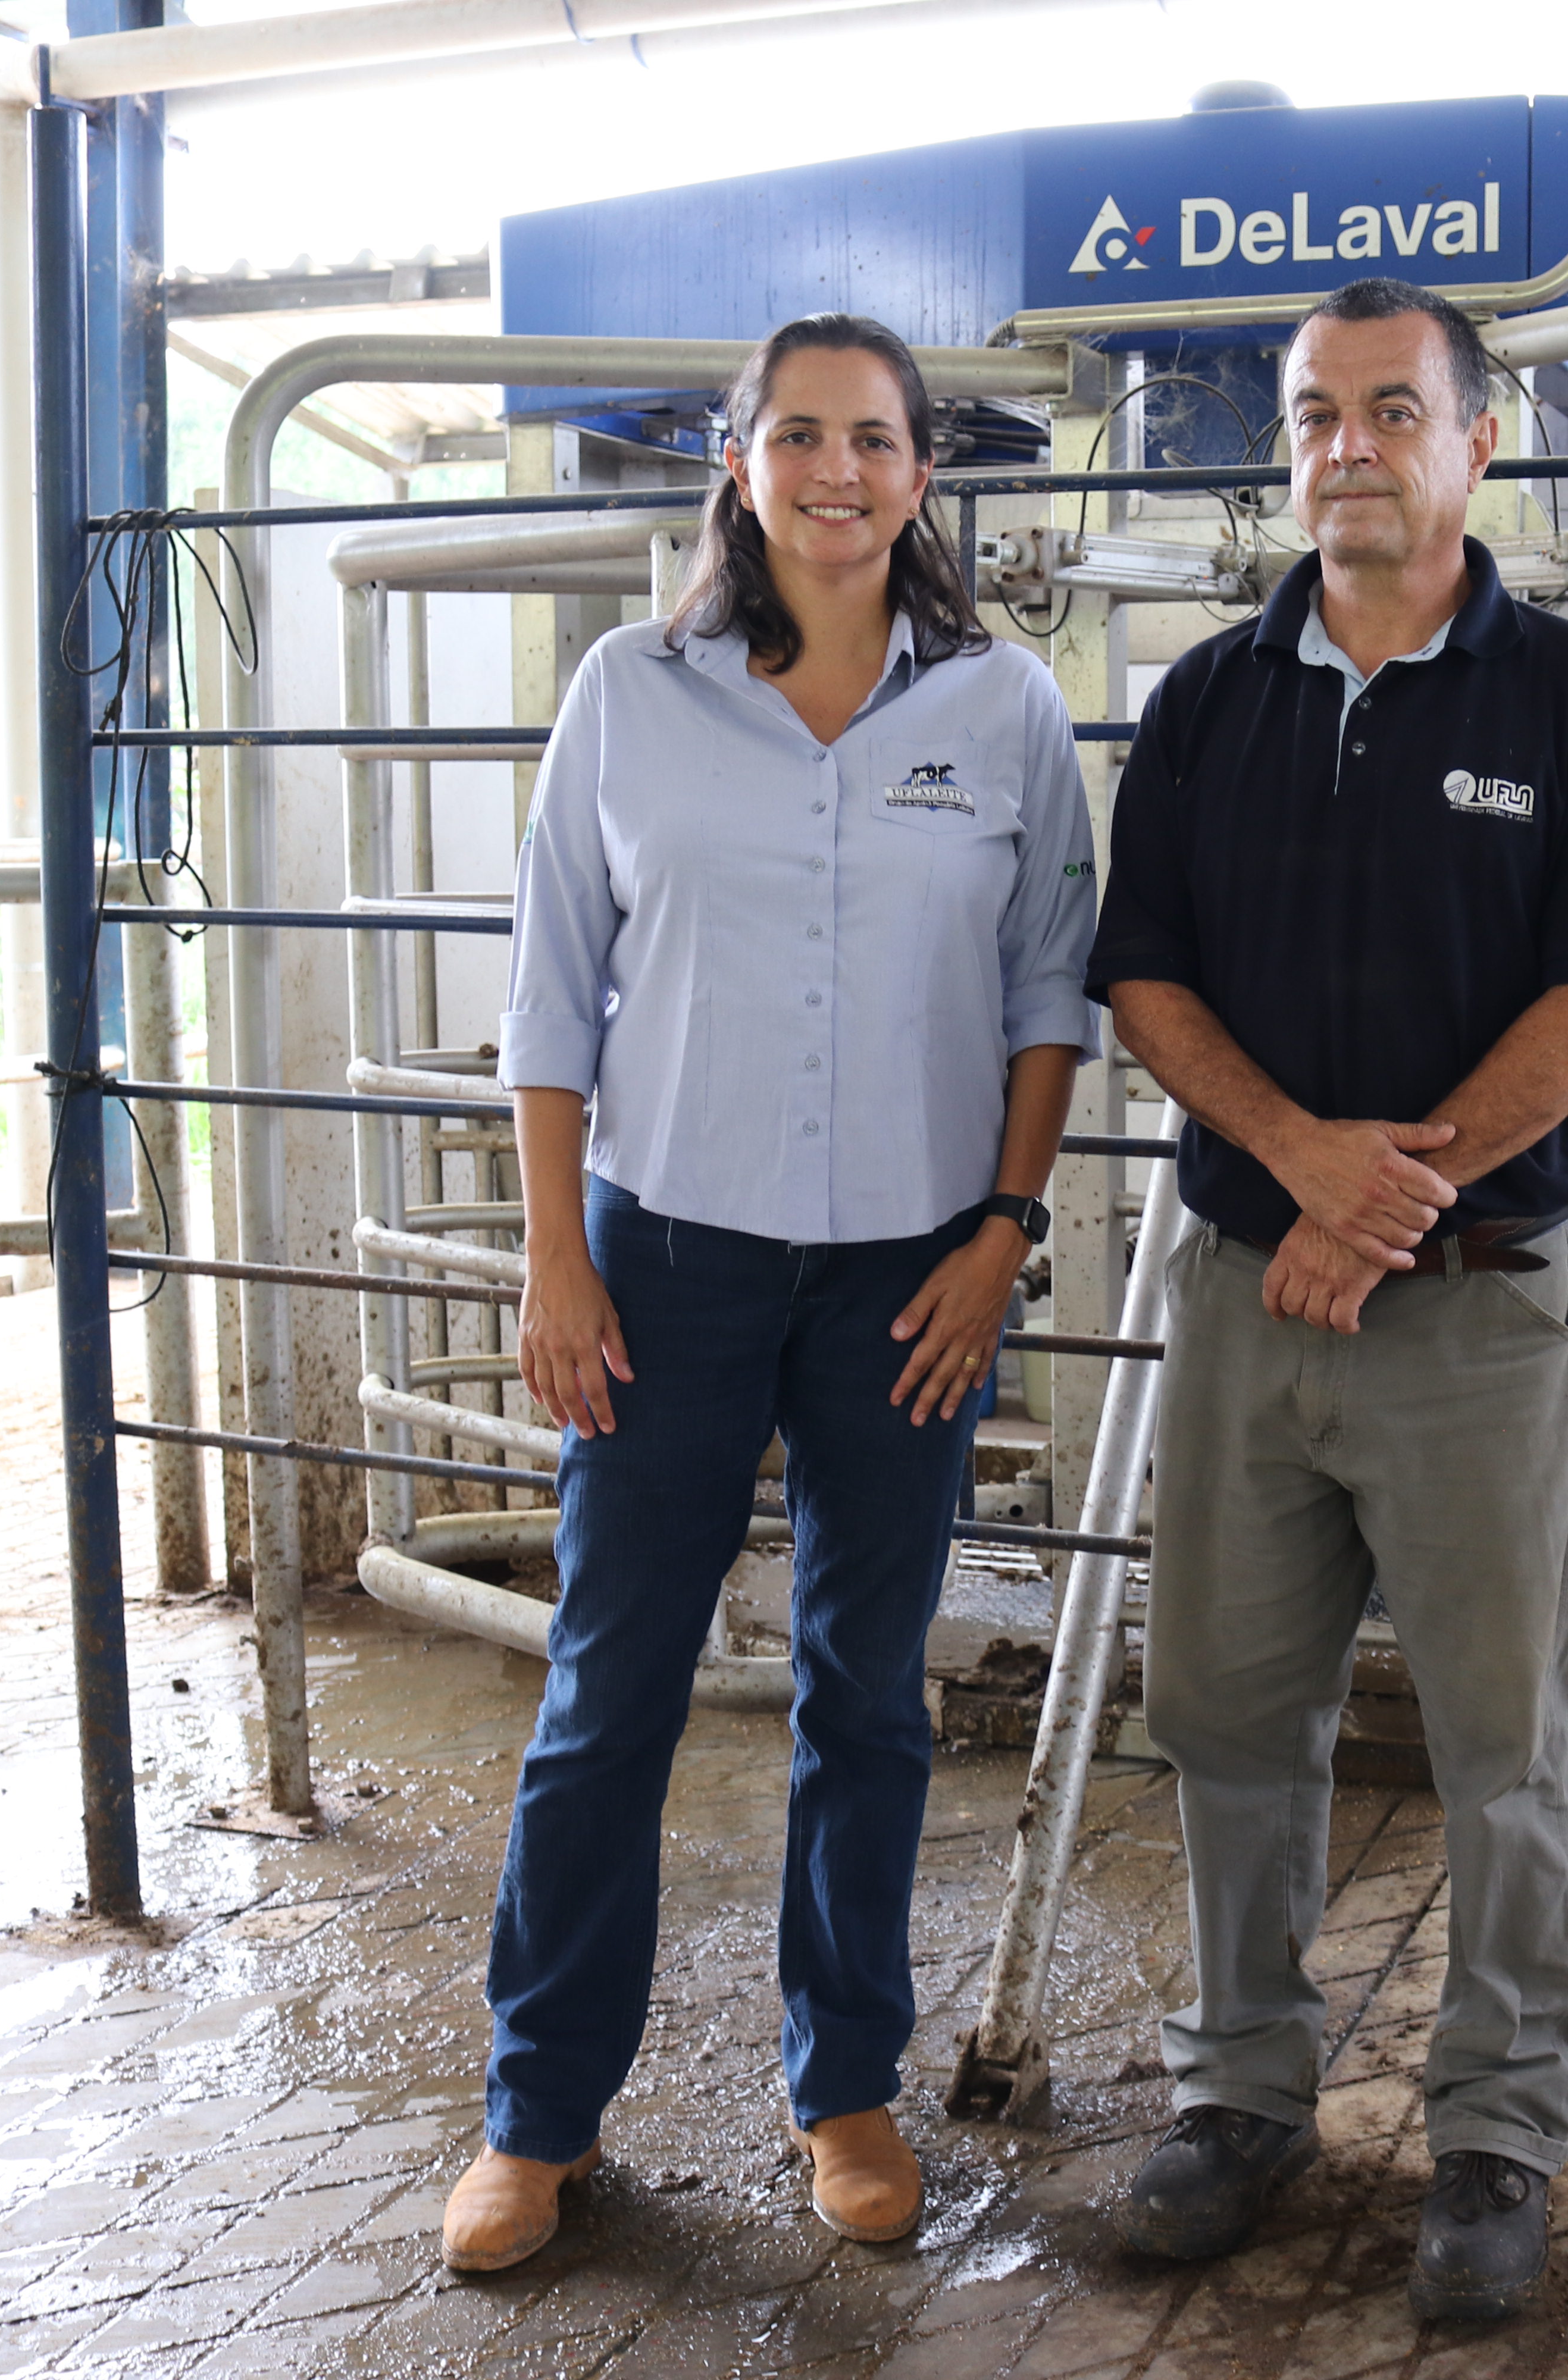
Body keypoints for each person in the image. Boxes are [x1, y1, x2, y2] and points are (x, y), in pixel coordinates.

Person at [440, 314, 1097, 2271]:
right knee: (607, 1695)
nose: (838, 470)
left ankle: (848, 2092)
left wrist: (1000, 1236)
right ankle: (537, 2118)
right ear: (738, 464)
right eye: (797, 435)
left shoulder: (1003, 711)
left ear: (921, 472)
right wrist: (558, 1259)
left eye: (874, 438)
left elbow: (1050, 996)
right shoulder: (630, 699)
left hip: (912, 1276)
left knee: (866, 1696)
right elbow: (553, 997)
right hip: (662, 1260)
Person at [1085, 277, 1568, 2322]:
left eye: (1394, 409)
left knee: (1501, 1739)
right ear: (1288, 445)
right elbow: (1145, 977)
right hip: (1254, 1301)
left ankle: (1501, 2128)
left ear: (1477, 442)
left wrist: (1387, 1188)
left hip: (1477, 1311)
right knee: (1230, 1713)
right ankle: (1243, 2091)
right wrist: (1304, 1170)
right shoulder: (1207, 701)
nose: (1352, 442)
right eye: (1318, 412)